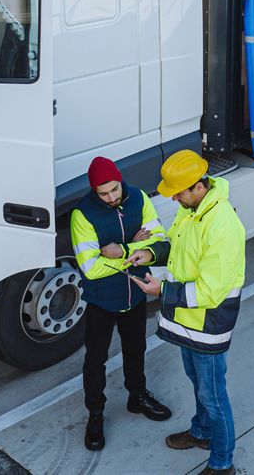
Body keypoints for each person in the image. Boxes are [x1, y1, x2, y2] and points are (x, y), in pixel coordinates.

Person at [129, 150, 245, 475]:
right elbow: (176, 246)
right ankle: (201, 433)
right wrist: (148, 253)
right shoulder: (191, 210)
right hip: (186, 321)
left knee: (214, 396)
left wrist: (161, 291)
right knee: (198, 383)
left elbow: (211, 290)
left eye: (178, 192)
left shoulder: (221, 225)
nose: (175, 198)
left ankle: (222, 464)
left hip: (208, 325)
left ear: (197, 186)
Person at [70, 156, 172, 451]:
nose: (112, 198)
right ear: (94, 191)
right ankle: (96, 414)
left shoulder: (139, 198)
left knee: (136, 348)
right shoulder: (83, 215)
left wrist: (121, 250)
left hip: (136, 292)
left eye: (114, 190)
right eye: (104, 194)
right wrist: (138, 246)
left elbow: (161, 240)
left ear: (120, 181)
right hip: (102, 300)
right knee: (95, 359)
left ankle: (136, 397)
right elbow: (90, 268)